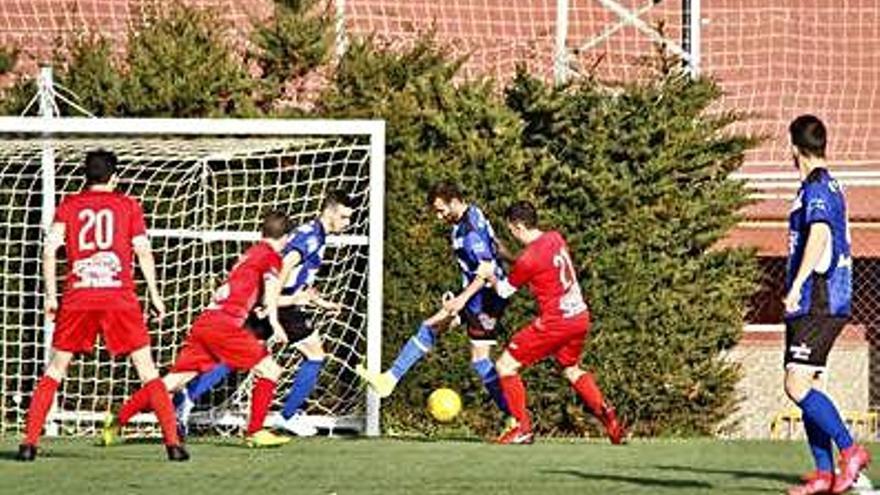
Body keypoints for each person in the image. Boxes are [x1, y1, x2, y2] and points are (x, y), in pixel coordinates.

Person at [17, 150, 185, 461]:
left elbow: (50, 250)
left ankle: (28, 443)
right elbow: (144, 252)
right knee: (147, 371)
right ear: (114, 177)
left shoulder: (68, 205)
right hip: (119, 297)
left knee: (55, 369)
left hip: (78, 296)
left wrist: (52, 295)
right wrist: (156, 295)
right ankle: (173, 445)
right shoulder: (127, 205)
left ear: (86, 176)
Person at [104, 211, 293, 448]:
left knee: (172, 382)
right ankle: (254, 432)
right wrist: (274, 321)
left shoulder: (249, 254)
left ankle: (118, 418)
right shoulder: (271, 256)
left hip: (206, 322)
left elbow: (244, 289)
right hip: (225, 325)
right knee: (271, 370)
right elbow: (271, 286)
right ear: (285, 237)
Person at [174, 190, 352, 437]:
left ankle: (187, 396)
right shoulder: (311, 237)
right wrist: (274, 305)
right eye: (343, 217)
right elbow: (285, 265)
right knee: (315, 353)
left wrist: (319, 302)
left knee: (236, 356)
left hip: (277, 301)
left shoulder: (314, 233)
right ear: (330, 211)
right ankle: (289, 415)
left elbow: (296, 275)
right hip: (280, 304)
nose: (347, 223)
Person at [357, 182, 511, 422]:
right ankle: (389, 379)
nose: (439, 217)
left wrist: (461, 299)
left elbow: (485, 270)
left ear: (455, 201)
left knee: (480, 360)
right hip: (477, 296)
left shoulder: (469, 232)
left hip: (486, 299)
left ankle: (514, 416)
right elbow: (495, 247)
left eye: (441, 210)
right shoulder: (472, 215)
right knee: (430, 327)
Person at [481, 201, 624, 445]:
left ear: (518, 226)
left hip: (556, 322)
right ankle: (606, 414)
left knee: (505, 366)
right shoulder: (555, 238)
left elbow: (504, 291)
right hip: (579, 316)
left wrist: (490, 275)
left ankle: (522, 429)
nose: (512, 235)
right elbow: (539, 265)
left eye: (512, 230)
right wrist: (507, 256)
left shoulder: (528, 258)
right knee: (571, 368)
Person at [781, 115, 870, 495]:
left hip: (818, 296)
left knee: (796, 385)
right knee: (810, 382)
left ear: (793, 149)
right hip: (823, 298)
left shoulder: (817, 188)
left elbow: (818, 234)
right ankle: (823, 473)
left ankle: (850, 451)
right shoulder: (827, 184)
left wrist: (797, 284)